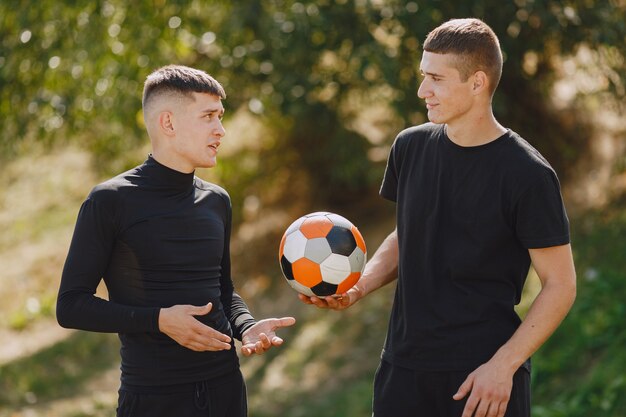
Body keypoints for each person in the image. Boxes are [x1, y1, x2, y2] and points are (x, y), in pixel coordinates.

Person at [299, 18, 576, 417]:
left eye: (436, 79)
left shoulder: (528, 174)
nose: (421, 90)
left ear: (477, 82)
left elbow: (560, 284)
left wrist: (503, 366)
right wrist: (359, 287)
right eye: (422, 75)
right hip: (402, 369)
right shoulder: (409, 147)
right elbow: (408, 231)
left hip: (481, 378)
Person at [57, 64, 296, 417]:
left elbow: (222, 288)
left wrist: (246, 326)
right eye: (209, 116)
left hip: (226, 390)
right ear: (168, 123)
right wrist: (158, 319)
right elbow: (71, 305)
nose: (221, 130)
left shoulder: (217, 200)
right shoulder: (110, 201)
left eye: (221, 116)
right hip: (154, 399)